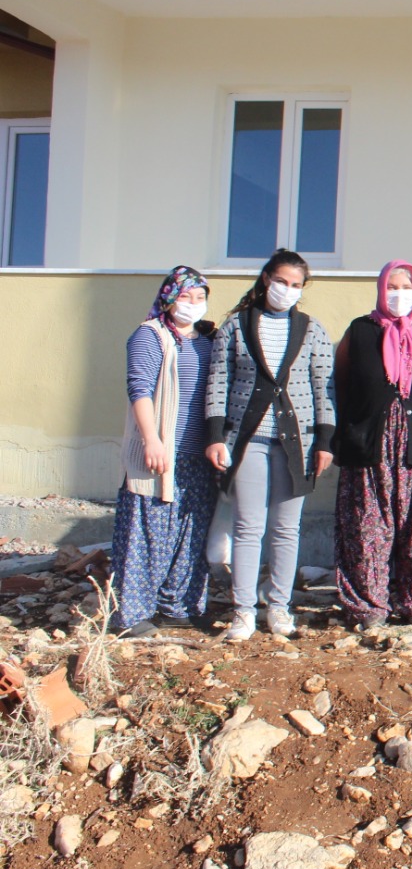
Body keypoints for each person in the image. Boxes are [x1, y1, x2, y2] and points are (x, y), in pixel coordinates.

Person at [206, 250, 336, 642]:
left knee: (287, 529)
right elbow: (218, 382)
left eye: (296, 286)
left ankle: (279, 607)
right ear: (266, 279)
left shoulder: (312, 330)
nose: (288, 290)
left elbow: (324, 389)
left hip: (297, 445)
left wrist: (326, 441)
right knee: (248, 527)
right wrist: (215, 436)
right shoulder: (235, 326)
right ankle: (243, 611)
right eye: (282, 282)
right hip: (247, 442)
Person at [332, 261, 412, 631]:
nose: (399, 293)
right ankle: (368, 607)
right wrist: (341, 437)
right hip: (369, 447)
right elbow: (340, 387)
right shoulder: (359, 331)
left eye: (406, 286)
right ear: (379, 288)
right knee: (367, 529)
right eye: (392, 285)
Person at [109, 266, 218, 637]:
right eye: (185, 296)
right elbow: (138, 388)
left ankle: (178, 606)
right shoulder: (149, 335)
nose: (192, 304)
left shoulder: (207, 341)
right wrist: (150, 439)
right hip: (159, 453)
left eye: (199, 297)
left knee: (189, 533)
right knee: (147, 531)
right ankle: (134, 614)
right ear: (170, 297)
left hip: (197, 456)